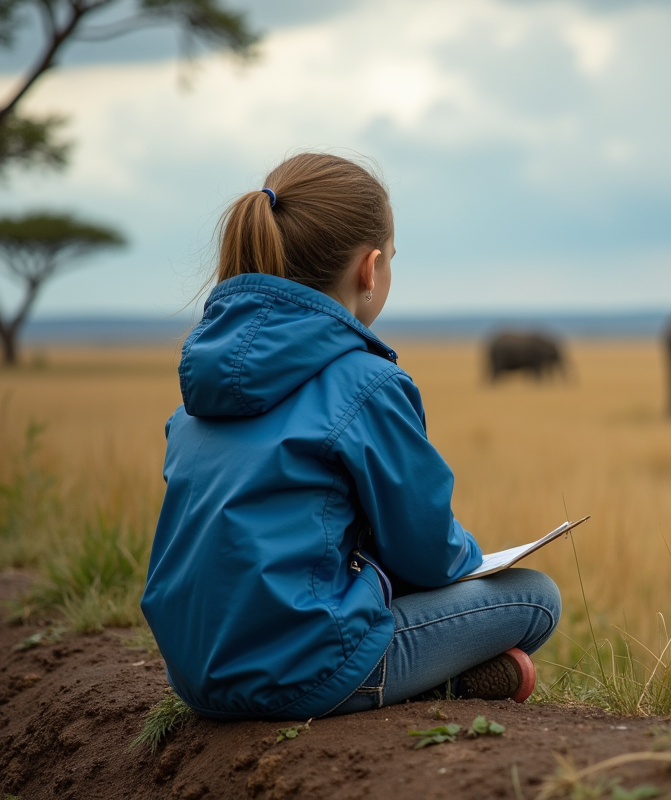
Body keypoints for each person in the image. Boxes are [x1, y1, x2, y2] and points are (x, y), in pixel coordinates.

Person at [141, 153, 561, 721]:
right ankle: (430, 684)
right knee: (536, 597)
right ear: (370, 268)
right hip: (304, 675)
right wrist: (470, 558)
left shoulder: (198, 391)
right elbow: (429, 557)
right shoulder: (368, 383)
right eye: (392, 260)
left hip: (195, 676)